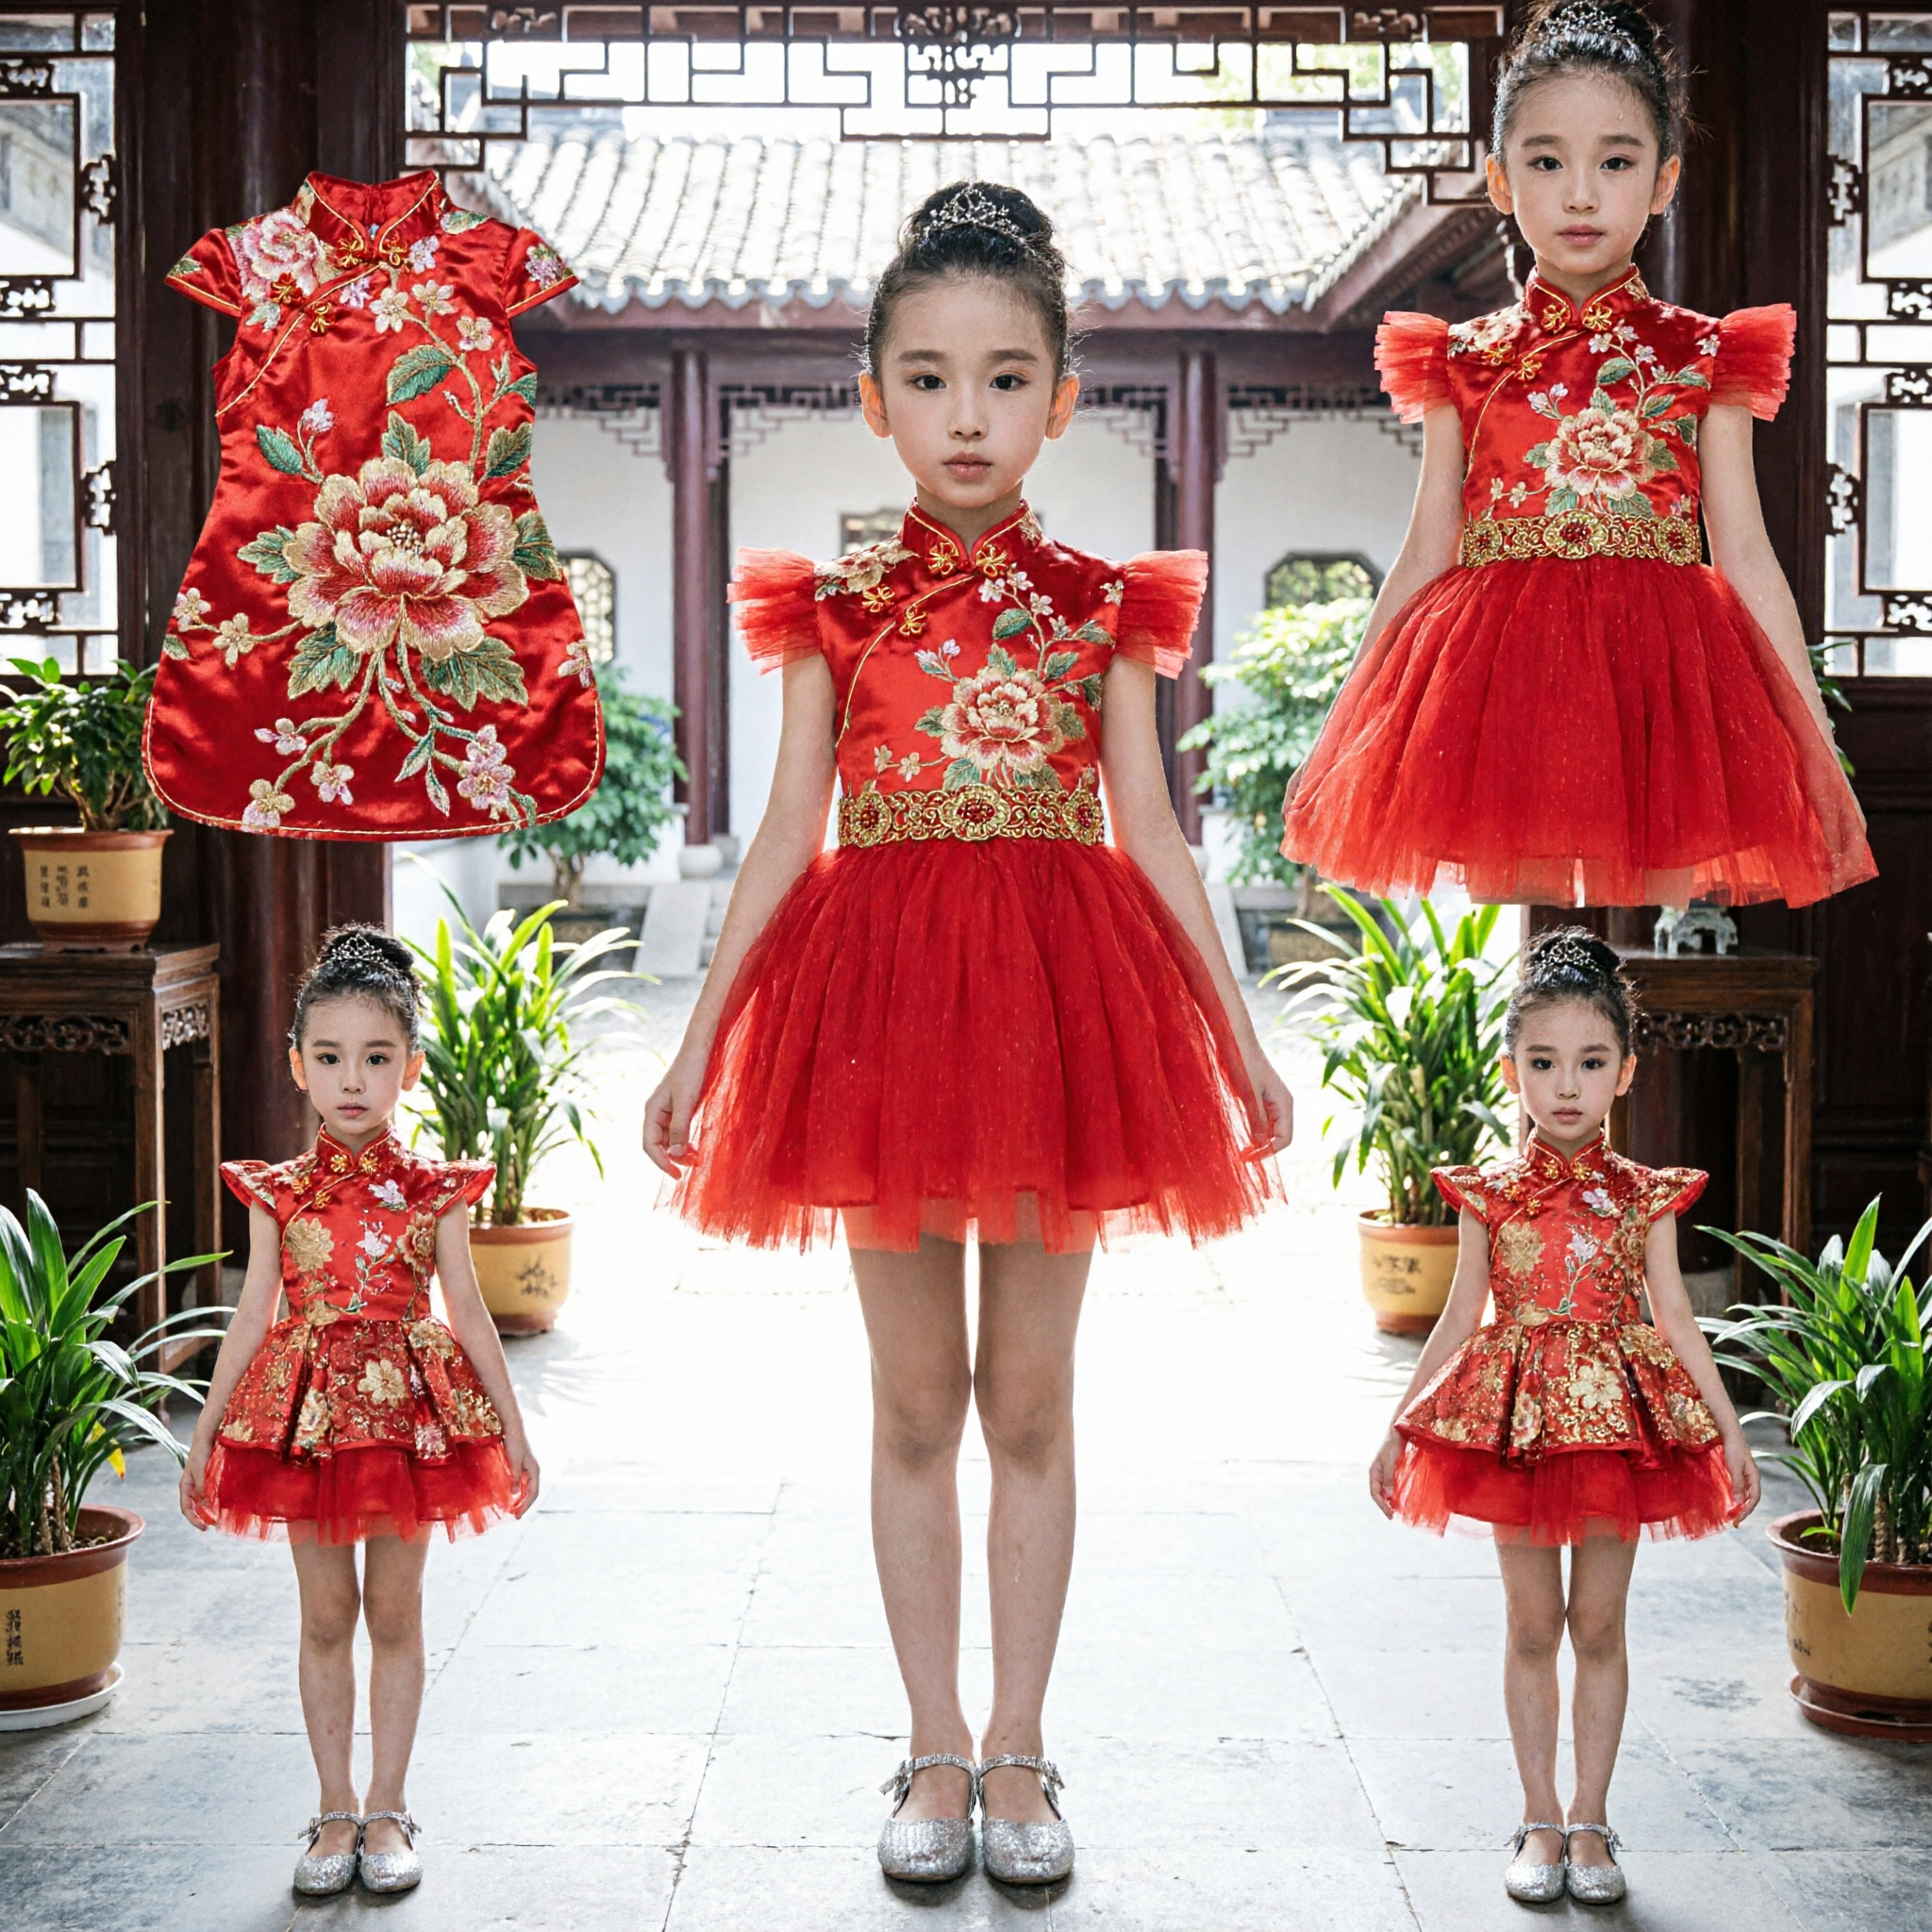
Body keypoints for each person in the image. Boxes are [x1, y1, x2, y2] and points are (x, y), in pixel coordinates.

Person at [641, 179, 1292, 1889]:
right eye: (926, 379)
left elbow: (1153, 831)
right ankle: (931, 1742)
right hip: (877, 1016)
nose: (966, 415)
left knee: (1029, 1403)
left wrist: (1236, 1038)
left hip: (1059, 1014)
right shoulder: (832, 605)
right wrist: (698, 1044)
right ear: (874, 399)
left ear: (1061, 400)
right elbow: (786, 832)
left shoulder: (1106, 603)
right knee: (916, 1403)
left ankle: (1020, 1744)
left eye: (1005, 378)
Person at [1280, 0, 1874, 909]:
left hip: (1661, 685)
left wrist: (1813, 743)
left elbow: (1745, 551)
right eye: (1547, 162)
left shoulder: (1706, 353)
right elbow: (1428, 545)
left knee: (1639, 912)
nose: (1582, 194)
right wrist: (1344, 723)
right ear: (1499, 180)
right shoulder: (1462, 358)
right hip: (1497, 681)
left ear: (1665, 181)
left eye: (1617, 162)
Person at [1369, 928, 1760, 1907]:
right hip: (1519, 1429)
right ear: (1512, 1072)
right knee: (1532, 1623)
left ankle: (1591, 1819)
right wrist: (1399, 1425)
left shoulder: (1643, 1197)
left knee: (1597, 1622)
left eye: (1590, 1062)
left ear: (1624, 1072)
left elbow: (1675, 1318)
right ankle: (1538, 1816)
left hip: (1616, 1432)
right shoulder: (1488, 1195)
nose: (1566, 1085)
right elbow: (1459, 1314)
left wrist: (1729, 1428)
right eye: (1542, 1063)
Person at [179, 925, 539, 1899]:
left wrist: (511, 1426)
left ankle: (389, 1805)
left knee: (394, 1610)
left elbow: (467, 1310)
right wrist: (207, 1429)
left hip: (409, 1425)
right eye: (330, 1057)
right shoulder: (277, 1192)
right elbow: (254, 1310)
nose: (352, 1079)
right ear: (298, 1064)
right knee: (327, 1614)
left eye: (376, 1058)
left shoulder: (436, 1190)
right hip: (307, 1425)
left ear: (409, 1067)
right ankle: (333, 1806)